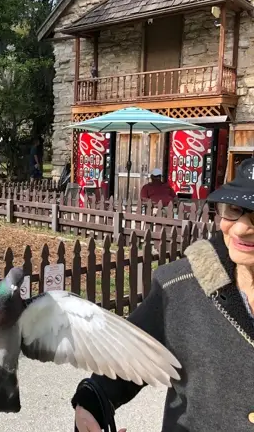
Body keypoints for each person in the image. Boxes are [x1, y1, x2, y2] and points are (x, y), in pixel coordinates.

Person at [71, 157, 254, 431]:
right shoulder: (180, 285)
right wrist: (93, 399)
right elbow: (129, 356)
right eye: (233, 210)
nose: (240, 228)